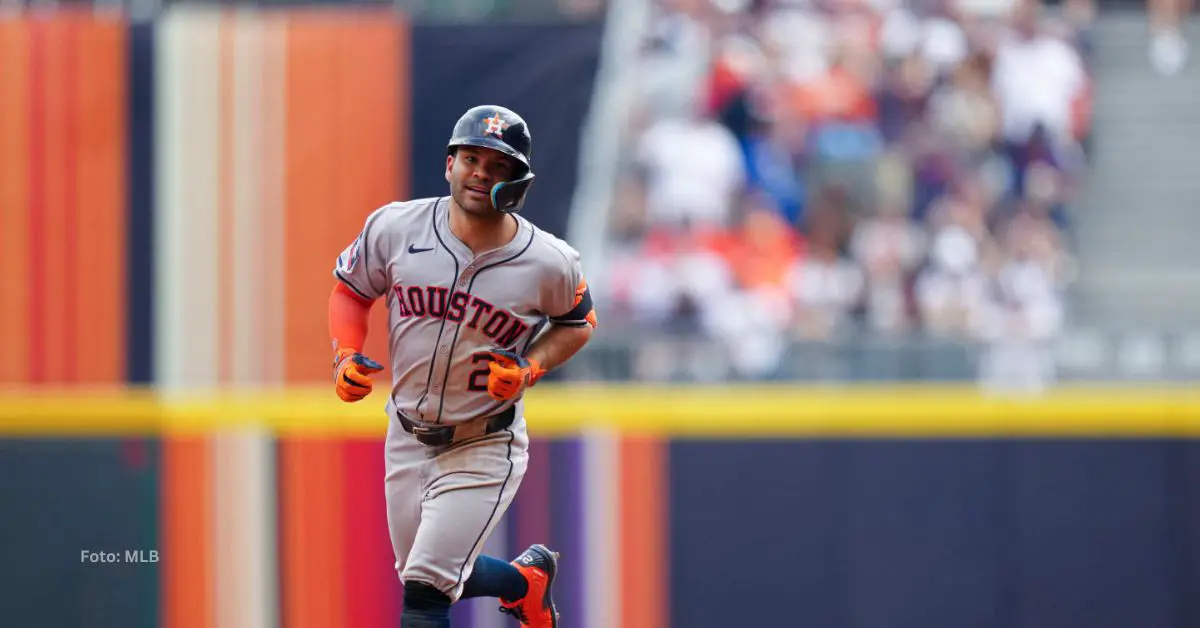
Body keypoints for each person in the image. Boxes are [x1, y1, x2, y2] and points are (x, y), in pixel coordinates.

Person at [327, 105, 597, 628]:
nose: (480, 173)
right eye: (471, 158)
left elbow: (578, 323)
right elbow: (350, 290)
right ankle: (524, 582)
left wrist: (529, 369)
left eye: (497, 165)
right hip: (406, 432)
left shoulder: (549, 260)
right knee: (425, 574)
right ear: (449, 163)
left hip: (483, 442)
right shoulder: (395, 226)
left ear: (518, 181)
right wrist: (344, 354)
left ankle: (519, 583)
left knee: (426, 592)